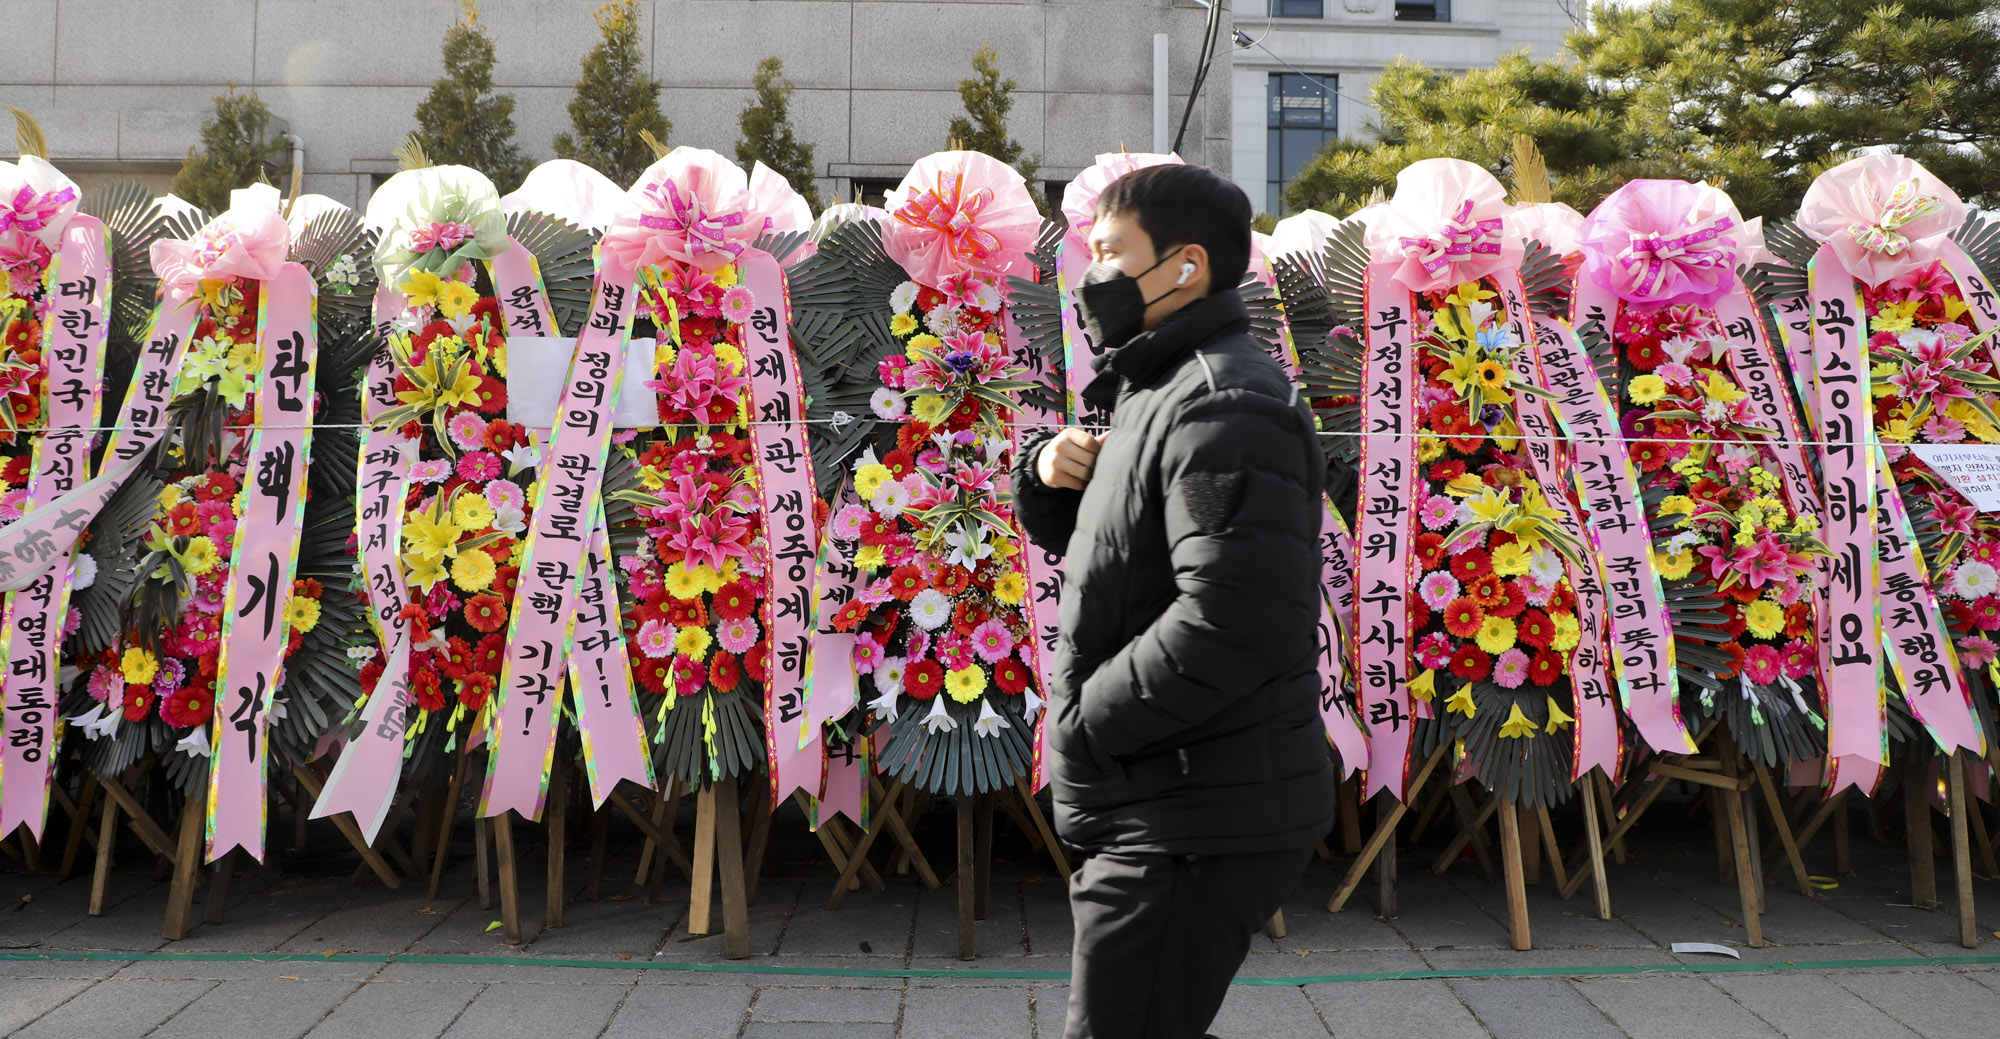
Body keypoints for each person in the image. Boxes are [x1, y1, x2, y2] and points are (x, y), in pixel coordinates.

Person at [1012, 163, 1336, 1039]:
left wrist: (1088, 722)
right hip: (1170, 794)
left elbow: (1233, 618)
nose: (1093, 275)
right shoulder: (1157, 386)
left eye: (1112, 252)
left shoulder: (1222, 401)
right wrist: (1047, 476)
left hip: (1194, 807)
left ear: (1186, 266)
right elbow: (1126, 562)